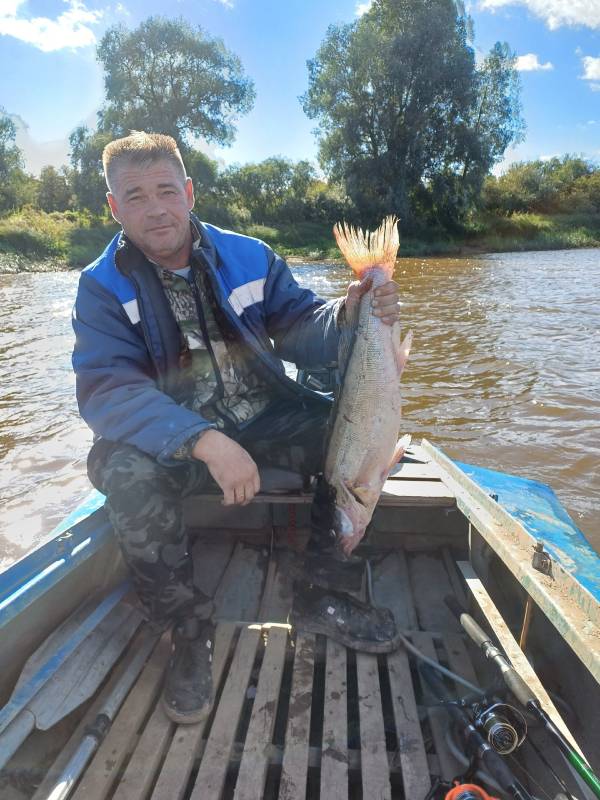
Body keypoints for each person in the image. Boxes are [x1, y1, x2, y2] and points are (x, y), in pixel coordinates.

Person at [72, 131, 401, 725]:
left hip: (264, 413)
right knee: (121, 469)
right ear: (114, 208)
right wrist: (202, 439)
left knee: (353, 438)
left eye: (167, 191)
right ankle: (185, 628)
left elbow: (303, 326)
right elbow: (107, 391)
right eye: (136, 196)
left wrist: (352, 313)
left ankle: (322, 591)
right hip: (176, 439)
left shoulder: (249, 255)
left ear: (190, 193)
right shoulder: (101, 287)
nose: (156, 208)